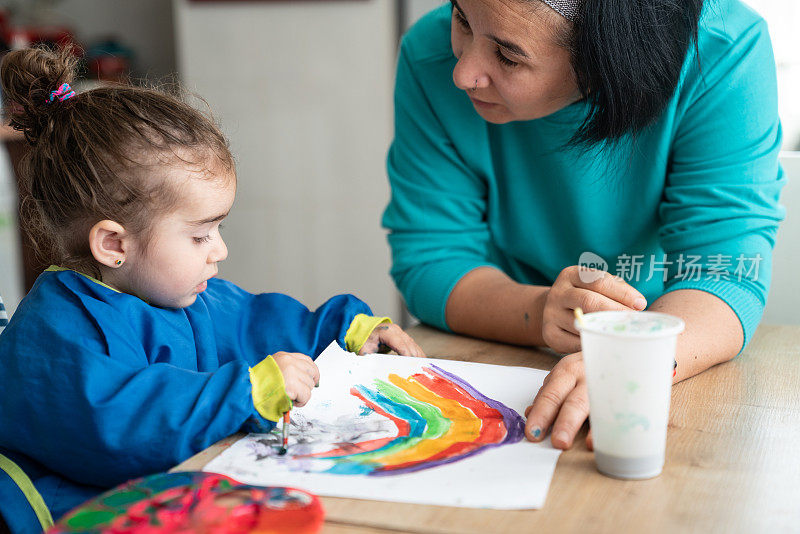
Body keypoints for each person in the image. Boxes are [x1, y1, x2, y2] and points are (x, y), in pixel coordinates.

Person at [0, 46, 423, 532]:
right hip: (58, 511)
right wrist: (245, 390)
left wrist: (344, 330)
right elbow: (123, 423)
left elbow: (254, 322)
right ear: (114, 243)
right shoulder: (54, 336)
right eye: (200, 235)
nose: (218, 249)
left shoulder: (175, 291)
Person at [383, 0, 784, 451]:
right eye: (461, 17)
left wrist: (633, 354)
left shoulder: (722, 52)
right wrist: (541, 313)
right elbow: (433, 256)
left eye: (509, 56)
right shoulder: (429, 55)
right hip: (499, 339)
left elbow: (723, 271)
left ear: (606, 56)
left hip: (677, 343)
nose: (464, 72)